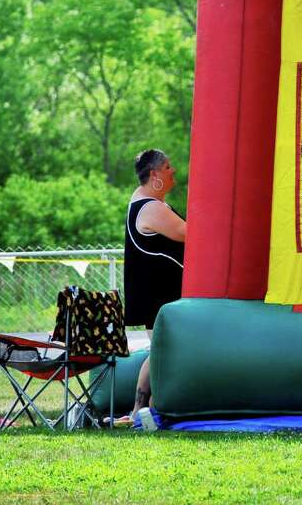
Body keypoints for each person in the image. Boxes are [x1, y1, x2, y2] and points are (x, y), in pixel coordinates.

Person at [122, 148, 186, 423]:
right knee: (163, 352)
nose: (173, 171)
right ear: (154, 175)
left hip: (157, 292)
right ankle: (152, 409)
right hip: (158, 293)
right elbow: (186, 233)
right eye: (168, 167)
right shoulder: (150, 207)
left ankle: (139, 411)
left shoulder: (146, 202)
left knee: (158, 349)